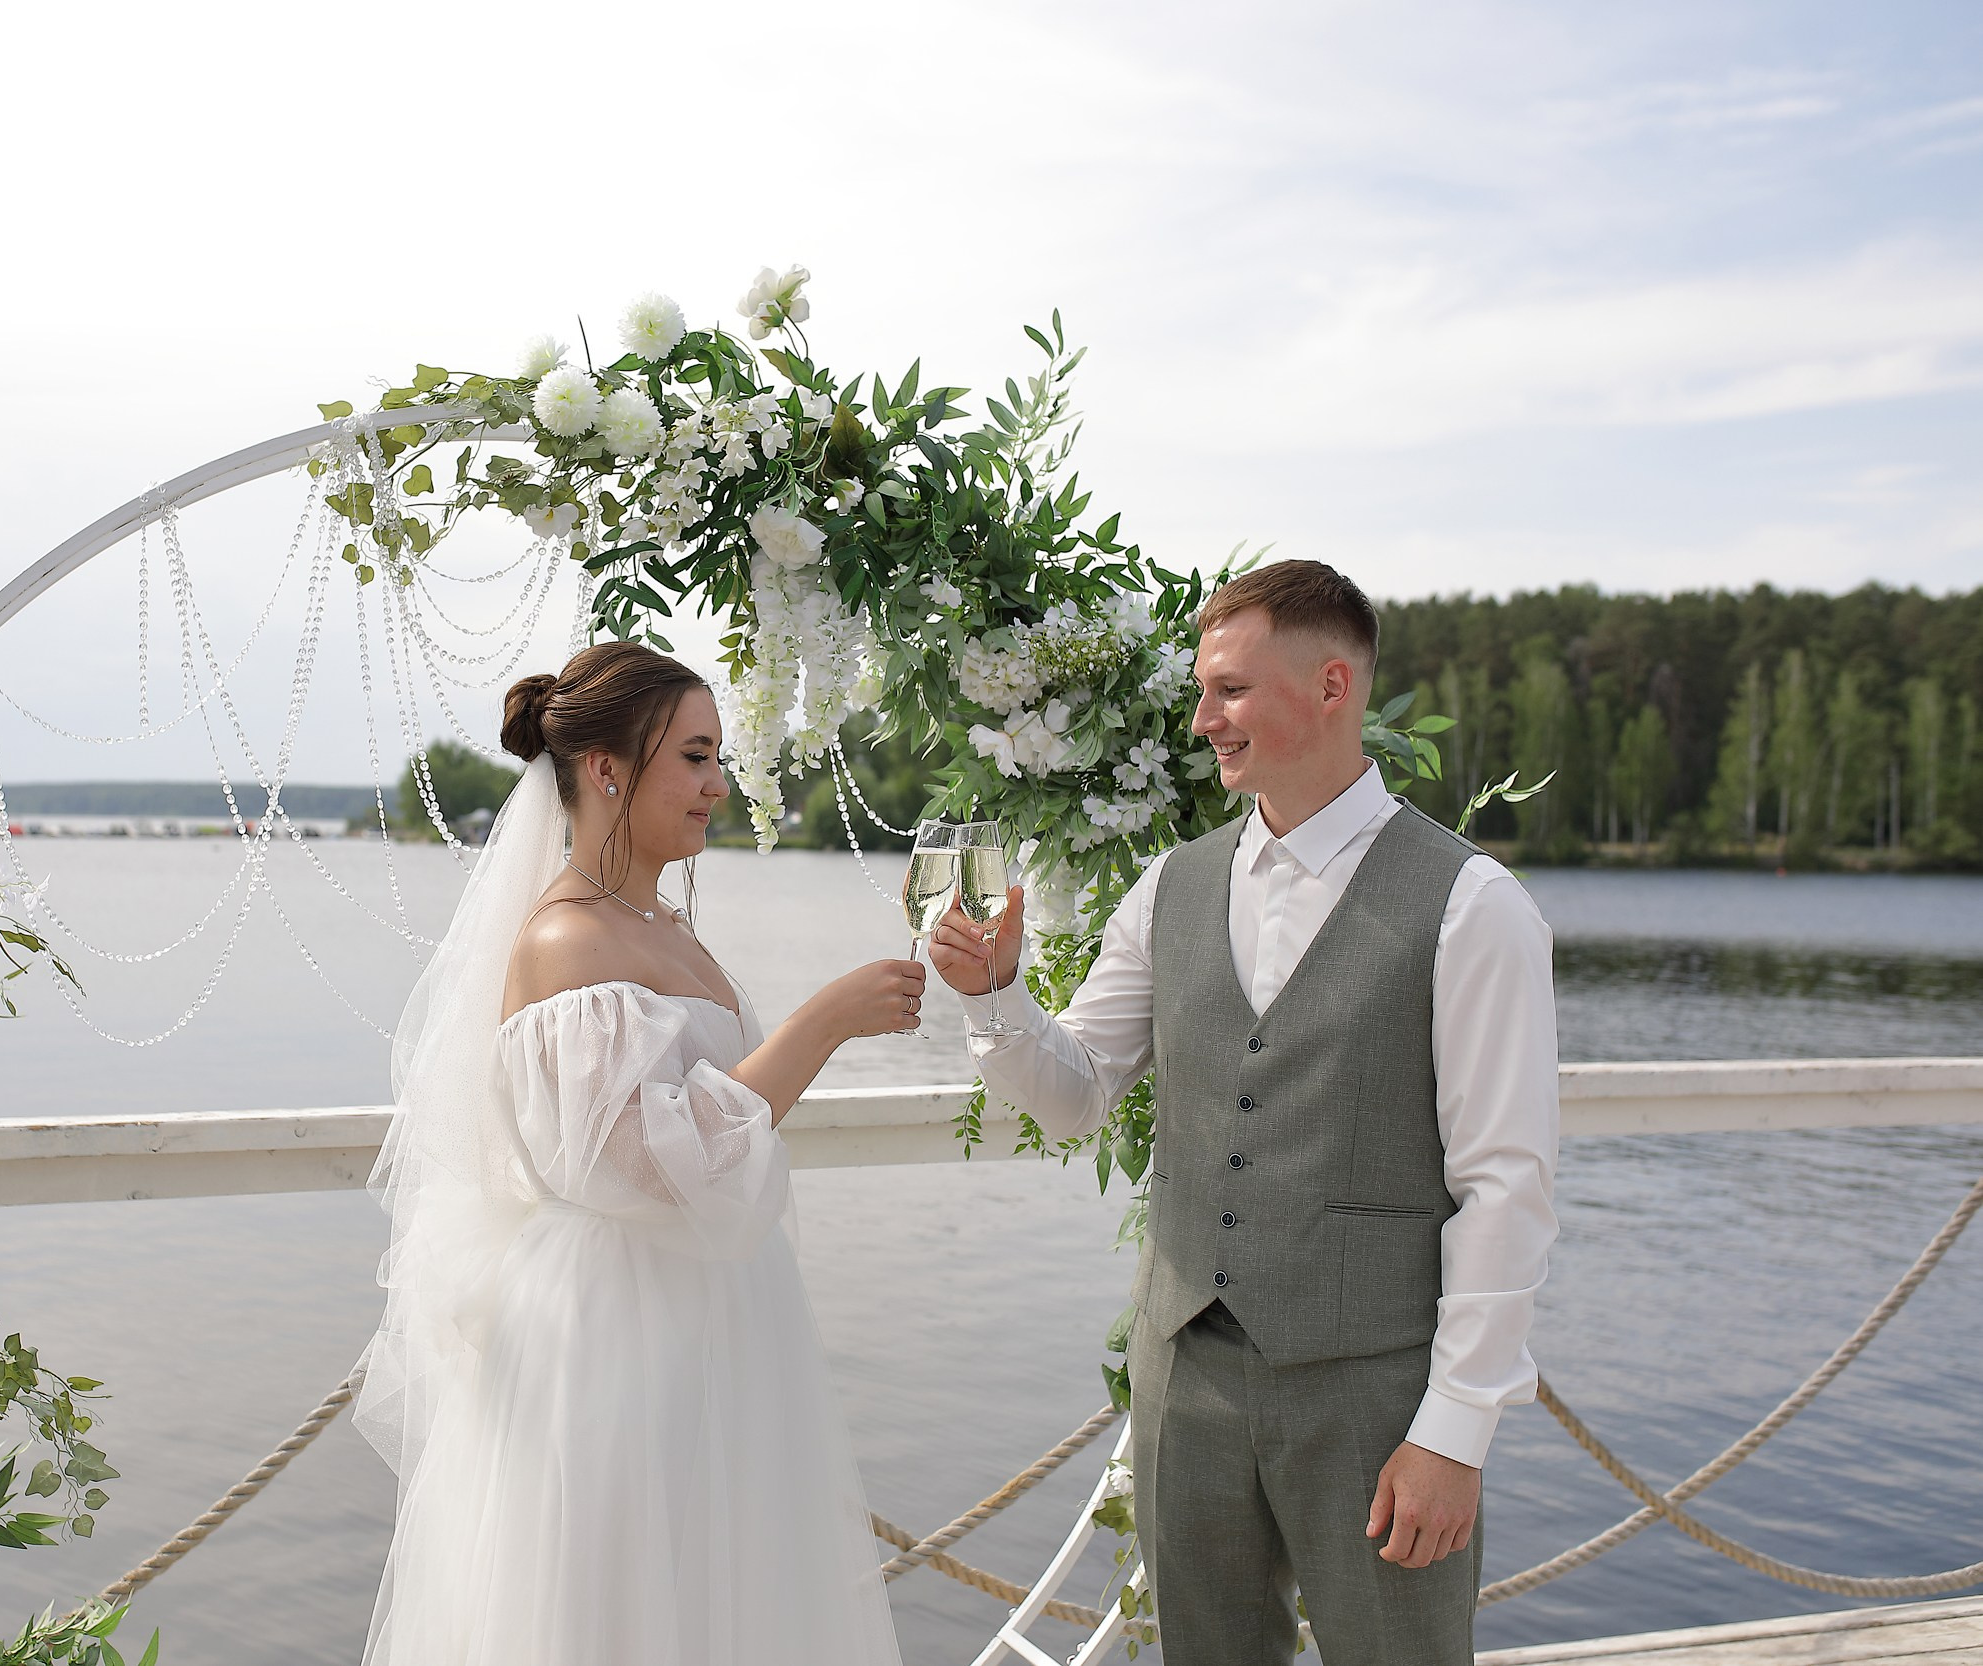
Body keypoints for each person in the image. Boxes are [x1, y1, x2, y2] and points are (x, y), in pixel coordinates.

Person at [928, 561, 1559, 1665]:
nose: (1199, 718)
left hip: (1374, 1392)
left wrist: (1454, 1431)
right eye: (1199, 689)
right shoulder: (1168, 886)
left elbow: (1505, 1185)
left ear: (1329, 688)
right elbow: (1072, 1094)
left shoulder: (1472, 905)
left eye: (1227, 690)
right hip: (1188, 1379)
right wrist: (994, 994)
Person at [355, 640, 919, 1666]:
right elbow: (639, 1166)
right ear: (608, 769)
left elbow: (717, 1133)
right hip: (613, 1329)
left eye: (717, 757)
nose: (717, 784)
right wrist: (824, 1021)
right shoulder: (567, 940)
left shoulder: (668, 929)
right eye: (695, 757)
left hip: (717, 1312)